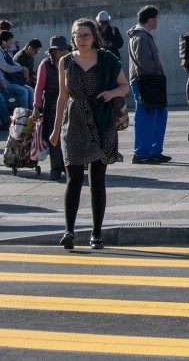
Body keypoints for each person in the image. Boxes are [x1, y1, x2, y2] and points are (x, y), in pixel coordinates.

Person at [48, 18, 130, 250]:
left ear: (94, 37)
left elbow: (125, 85)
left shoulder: (107, 59)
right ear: (72, 38)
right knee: (73, 178)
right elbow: (62, 97)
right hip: (73, 123)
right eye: (77, 35)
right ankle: (69, 232)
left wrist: (111, 93)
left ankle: (96, 234)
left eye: (86, 35)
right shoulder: (65, 61)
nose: (81, 39)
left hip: (101, 121)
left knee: (97, 180)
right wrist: (55, 130)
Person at [126, 6, 171, 164]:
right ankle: (141, 153)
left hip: (151, 82)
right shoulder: (141, 37)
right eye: (156, 18)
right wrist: (157, 73)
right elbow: (144, 62)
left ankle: (153, 151)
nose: (157, 21)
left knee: (159, 115)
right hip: (146, 82)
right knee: (147, 118)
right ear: (150, 19)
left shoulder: (142, 35)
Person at [34, 35, 70, 183]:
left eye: (64, 49)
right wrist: (36, 106)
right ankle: (55, 169)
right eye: (60, 50)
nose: (63, 52)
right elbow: (39, 87)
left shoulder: (70, 62)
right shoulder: (45, 65)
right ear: (54, 52)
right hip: (51, 105)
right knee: (54, 138)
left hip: (68, 104)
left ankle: (66, 167)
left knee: (67, 137)